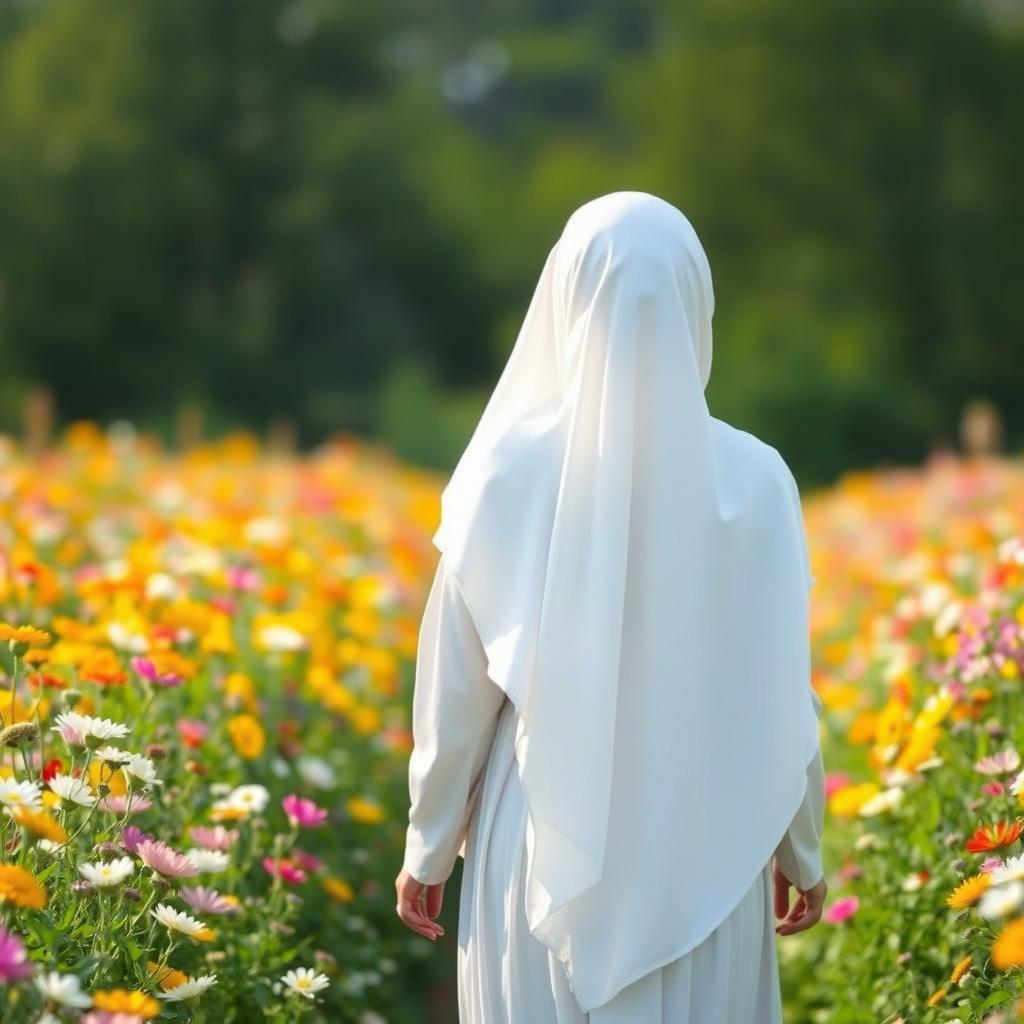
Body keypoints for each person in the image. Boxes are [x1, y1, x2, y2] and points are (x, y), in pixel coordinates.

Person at [396, 191, 827, 1023]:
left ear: (564, 297)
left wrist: (429, 841)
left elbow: (456, 689)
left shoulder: (506, 475)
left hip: (539, 850)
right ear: (698, 304)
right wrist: (799, 847)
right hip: (713, 849)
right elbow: (782, 692)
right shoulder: (760, 480)